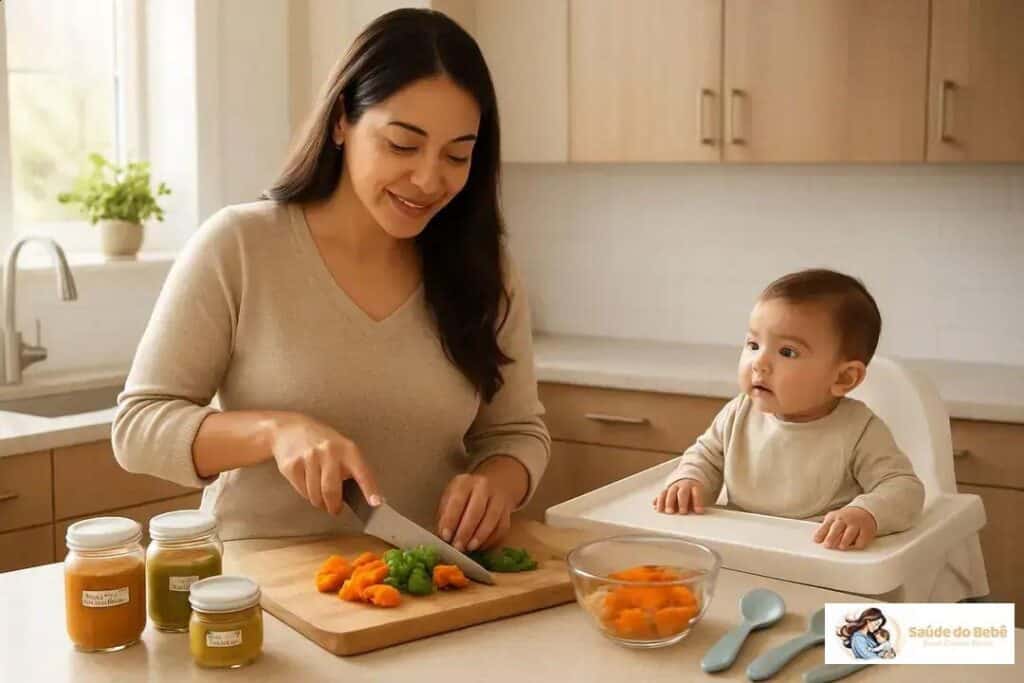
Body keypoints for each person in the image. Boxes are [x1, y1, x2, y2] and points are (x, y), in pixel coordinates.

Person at [112, 9, 550, 550]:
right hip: (262, 582)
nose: (428, 179)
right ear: (342, 120)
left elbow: (517, 432)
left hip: (425, 579)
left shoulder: (485, 268)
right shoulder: (241, 246)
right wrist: (275, 432)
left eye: (457, 155)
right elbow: (138, 427)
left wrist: (497, 482)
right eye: (402, 145)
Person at [653, 269, 924, 550]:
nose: (759, 363)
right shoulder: (739, 412)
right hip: (740, 547)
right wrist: (690, 480)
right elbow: (705, 457)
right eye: (753, 344)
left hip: (817, 553)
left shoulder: (859, 430)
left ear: (843, 378)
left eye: (787, 352)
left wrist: (866, 513)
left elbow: (903, 488)